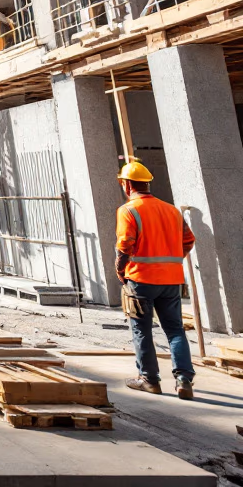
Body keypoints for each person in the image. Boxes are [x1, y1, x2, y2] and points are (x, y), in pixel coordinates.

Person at [115, 160, 196, 399]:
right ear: (147, 184)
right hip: (171, 280)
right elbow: (189, 240)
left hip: (141, 280)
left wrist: (120, 269)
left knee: (141, 329)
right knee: (175, 330)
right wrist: (170, 261)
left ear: (127, 184)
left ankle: (149, 380)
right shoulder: (171, 210)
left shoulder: (128, 210)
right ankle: (184, 380)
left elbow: (125, 245)